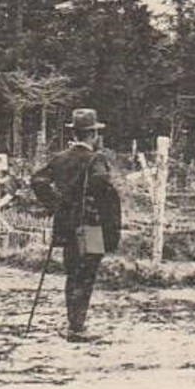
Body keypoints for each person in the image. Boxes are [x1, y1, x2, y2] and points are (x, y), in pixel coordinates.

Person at [29, 108, 123, 341]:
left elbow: (38, 180)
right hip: (91, 226)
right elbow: (102, 185)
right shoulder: (96, 160)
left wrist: (56, 204)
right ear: (92, 134)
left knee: (73, 273)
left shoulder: (61, 158)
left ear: (76, 132)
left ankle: (74, 324)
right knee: (87, 274)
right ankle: (77, 328)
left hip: (66, 225)